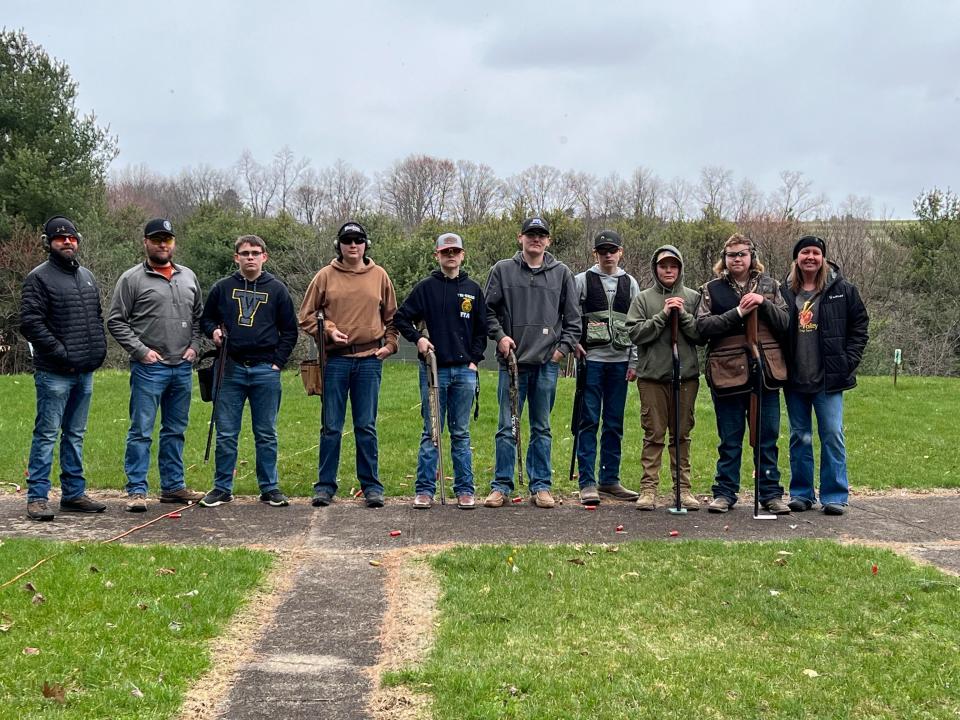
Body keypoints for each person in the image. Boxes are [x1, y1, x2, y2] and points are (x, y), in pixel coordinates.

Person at [298, 221, 399, 508]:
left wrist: (389, 346)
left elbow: (392, 318)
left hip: (369, 361)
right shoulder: (325, 276)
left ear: (366, 244)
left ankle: (371, 487)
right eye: (347, 241)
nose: (352, 245)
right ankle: (325, 486)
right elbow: (306, 315)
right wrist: (328, 329)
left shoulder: (379, 276)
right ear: (339, 245)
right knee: (331, 425)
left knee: (366, 425)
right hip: (336, 362)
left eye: (358, 240)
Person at [483, 216, 581, 509]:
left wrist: (559, 352)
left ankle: (541, 486)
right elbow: (487, 312)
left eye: (541, 235)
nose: (536, 239)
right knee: (507, 426)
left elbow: (573, 321)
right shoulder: (502, 270)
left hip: (546, 366)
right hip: (512, 365)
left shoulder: (561, 273)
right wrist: (500, 338)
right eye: (530, 234)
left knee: (542, 427)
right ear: (520, 237)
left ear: (548, 240)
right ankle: (501, 485)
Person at [108, 218, 204, 512]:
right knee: (141, 431)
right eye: (157, 239)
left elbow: (200, 318)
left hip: (182, 367)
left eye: (168, 239)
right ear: (146, 242)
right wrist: (140, 351)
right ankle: (137, 490)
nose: (163, 244)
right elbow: (115, 321)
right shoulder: (132, 279)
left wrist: (195, 348)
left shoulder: (188, 276)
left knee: (175, 430)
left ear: (174, 242)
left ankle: (173, 487)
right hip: (150, 368)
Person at [197, 235, 298, 509]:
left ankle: (269, 488)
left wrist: (278, 362)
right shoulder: (222, 288)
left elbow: (290, 331)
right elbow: (205, 318)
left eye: (255, 253)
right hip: (230, 368)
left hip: (266, 369)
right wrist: (214, 331)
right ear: (236, 257)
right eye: (245, 253)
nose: (250, 257)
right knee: (226, 432)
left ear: (265, 256)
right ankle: (222, 488)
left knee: (266, 433)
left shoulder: (277, 290)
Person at [20, 216, 108, 521]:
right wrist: (60, 352)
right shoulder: (38, 278)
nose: (67, 242)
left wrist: (98, 350)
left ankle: (73, 494)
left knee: (75, 433)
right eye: (60, 238)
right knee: (46, 434)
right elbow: (30, 323)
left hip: (84, 372)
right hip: (54, 372)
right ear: (49, 243)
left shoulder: (87, 276)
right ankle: (37, 497)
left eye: (71, 237)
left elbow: (96, 316)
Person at [696, 233, 791, 514]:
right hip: (726, 372)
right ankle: (724, 493)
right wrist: (738, 312)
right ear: (723, 259)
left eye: (742, 254)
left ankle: (771, 493)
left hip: (765, 372)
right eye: (731, 255)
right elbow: (703, 329)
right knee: (730, 438)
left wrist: (763, 303)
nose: (736, 259)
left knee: (767, 436)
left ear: (752, 257)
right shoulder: (710, 290)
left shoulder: (771, 286)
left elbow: (786, 323)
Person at [394, 232, 488, 510]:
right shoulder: (426, 288)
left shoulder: (473, 289)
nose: (451, 255)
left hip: (464, 372)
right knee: (432, 433)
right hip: (434, 370)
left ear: (462, 254)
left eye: (455, 251)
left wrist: (474, 360)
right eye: (445, 251)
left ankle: (465, 490)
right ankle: (424, 490)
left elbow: (482, 331)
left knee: (461, 433)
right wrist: (418, 339)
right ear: (437, 255)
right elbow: (401, 317)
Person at [781, 235, 869, 515]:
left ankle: (834, 495)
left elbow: (860, 327)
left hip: (828, 379)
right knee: (799, 436)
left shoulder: (843, 289)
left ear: (824, 258)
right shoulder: (785, 291)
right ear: (796, 258)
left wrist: (848, 361)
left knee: (832, 434)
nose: (810, 257)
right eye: (805, 252)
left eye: (815, 253)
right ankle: (801, 494)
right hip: (795, 379)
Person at [625, 244, 702, 511]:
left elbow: (701, 335)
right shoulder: (644, 299)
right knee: (654, 434)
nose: (668, 270)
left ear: (680, 268)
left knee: (681, 435)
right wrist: (663, 315)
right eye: (663, 266)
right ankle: (648, 489)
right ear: (655, 268)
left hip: (686, 377)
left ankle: (683, 489)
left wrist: (683, 315)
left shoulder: (692, 297)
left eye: (673, 266)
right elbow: (635, 334)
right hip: (653, 378)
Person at [572, 230, 640, 506]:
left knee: (614, 423)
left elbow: (636, 324)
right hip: (592, 362)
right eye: (602, 251)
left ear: (620, 252)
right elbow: (570, 315)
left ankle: (610, 480)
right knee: (588, 421)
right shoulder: (581, 281)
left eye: (612, 250)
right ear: (595, 254)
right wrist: (574, 342)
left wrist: (634, 360)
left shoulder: (630, 283)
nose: (608, 255)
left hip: (620, 363)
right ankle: (587, 482)